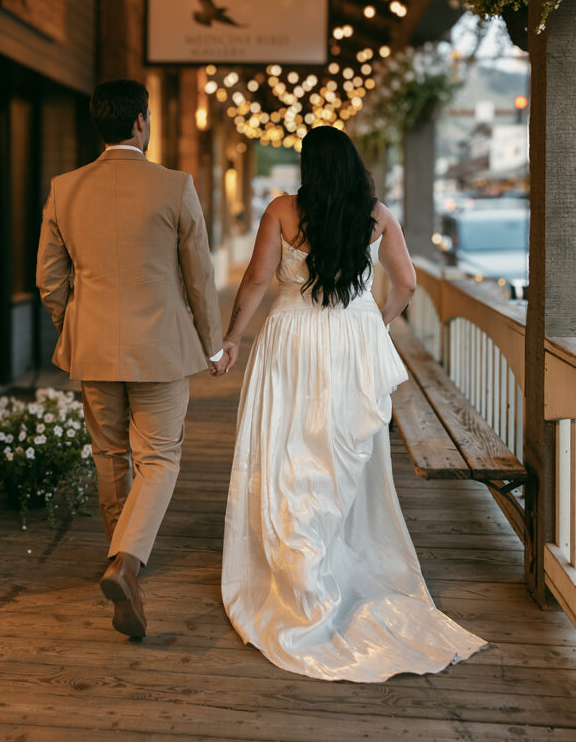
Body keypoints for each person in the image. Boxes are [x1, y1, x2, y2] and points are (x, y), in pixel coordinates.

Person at [220, 126, 487, 682]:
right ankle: (331, 558)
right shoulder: (377, 215)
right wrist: (376, 322)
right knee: (337, 459)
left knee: (289, 453)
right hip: (349, 345)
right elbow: (408, 282)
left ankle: (299, 572)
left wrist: (231, 338)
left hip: (291, 341)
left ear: (308, 166)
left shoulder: (282, 210)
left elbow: (254, 281)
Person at [36, 79, 228, 638]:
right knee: (160, 457)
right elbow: (200, 275)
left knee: (109, 452)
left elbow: (50, 279)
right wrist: (213, 344)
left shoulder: (65, 188)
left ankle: (119, 554)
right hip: (162, 350)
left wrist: (73, 327)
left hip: (92, 345)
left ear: (102, 125)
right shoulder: (175, 186)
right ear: (141, 122)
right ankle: (128, 563)